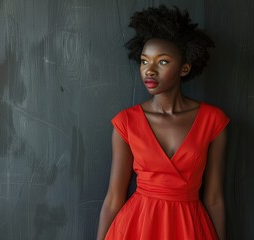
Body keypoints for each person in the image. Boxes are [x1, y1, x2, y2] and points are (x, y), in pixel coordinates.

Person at [97, 5, 229, 240]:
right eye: (144, 61)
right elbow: (113, 198)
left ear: (184, 68)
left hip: (189, 229)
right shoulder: (126, 122)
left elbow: (215, 198)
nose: (150, 71)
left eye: (163, 62)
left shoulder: (213, 121)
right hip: (137, 228)